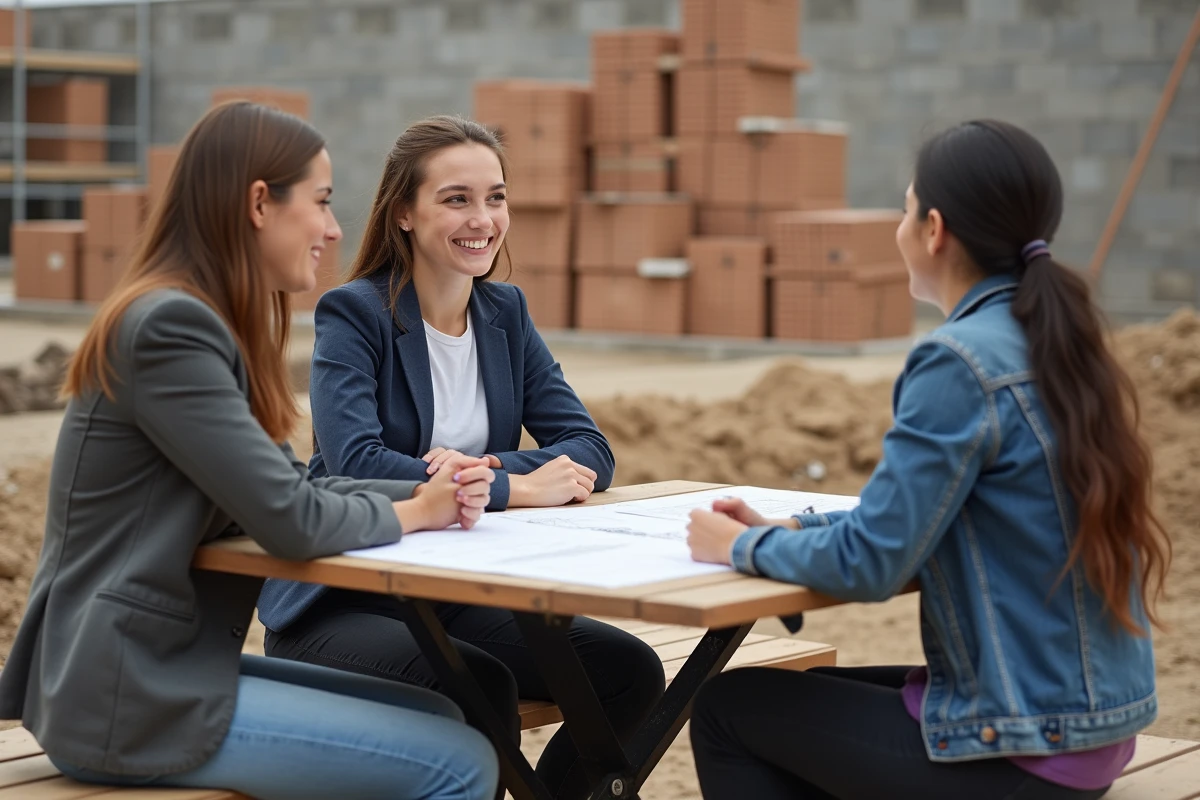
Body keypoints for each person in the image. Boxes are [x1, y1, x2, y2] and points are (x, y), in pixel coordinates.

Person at [0, 102, 500, 800]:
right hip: (124, 692)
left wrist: (426, 497)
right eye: (322, 203)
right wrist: (419, 513)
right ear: (260, 203)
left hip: (158, 665)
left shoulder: (198, 320)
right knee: (459, 764)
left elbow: (293, 485)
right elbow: (290, 518)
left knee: (446, 711)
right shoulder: (169, 329)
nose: (332, 229)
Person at [684, 120, 1171, 799]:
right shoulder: (1056, 342)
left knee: (725, 712)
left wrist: (741, 547)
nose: (901, 226)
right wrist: (789, 531)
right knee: (798, 695)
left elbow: (875, 560)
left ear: (934, 229)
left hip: (1030, 749)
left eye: (906, 209)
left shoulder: (957, 360)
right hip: (1090, 724)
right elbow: (915, 519)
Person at [256, 115, 664, 800]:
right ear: (405, 214)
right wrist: (517, 491)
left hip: (451, 594)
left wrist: (495, 469)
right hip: (342, 601)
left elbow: (590, 450)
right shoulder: (353, 315)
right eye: (457, 199)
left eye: (495, 197)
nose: (483, 218)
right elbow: (356, 463)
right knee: (483, 683)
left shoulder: (506, 316)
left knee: (628, 670)